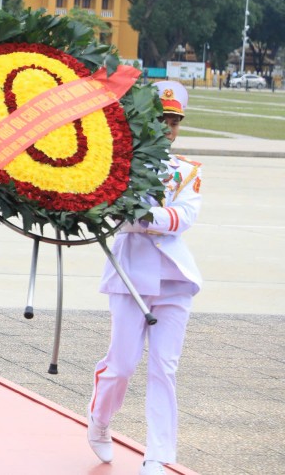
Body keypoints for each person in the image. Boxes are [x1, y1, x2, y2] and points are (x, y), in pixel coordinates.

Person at [87, 81, 203, 475]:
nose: (168, 127)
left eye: (174, 121)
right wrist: (148, 219)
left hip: (174, 280)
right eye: (161, 119)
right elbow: (114, 215)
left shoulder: (187, 171)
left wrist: (142, 218)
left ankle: (157, 455)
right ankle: (100, 419)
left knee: (164, 369)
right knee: (121, 365)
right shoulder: (120, 164)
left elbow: (184, 217)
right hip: (130, 273)